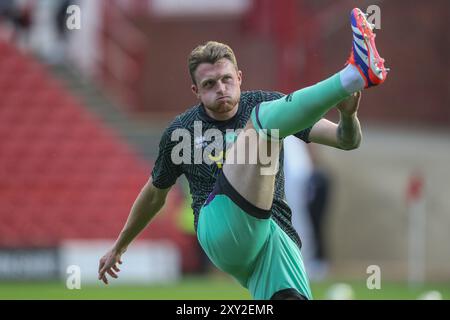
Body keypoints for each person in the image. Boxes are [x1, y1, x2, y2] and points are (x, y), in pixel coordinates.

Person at [98, 8, 388, 300]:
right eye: (209, 85)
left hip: (273, 236)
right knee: (264, 120)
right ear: (195, 90)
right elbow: (154, 194)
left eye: (226, 79)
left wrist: (348, 116)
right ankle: (353, 75)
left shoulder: (270, 104)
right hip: (220, 230)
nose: (221, 89)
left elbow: (345, 141)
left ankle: (354, 78)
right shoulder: (181, 131)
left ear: (239, 77)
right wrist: (120, 246)